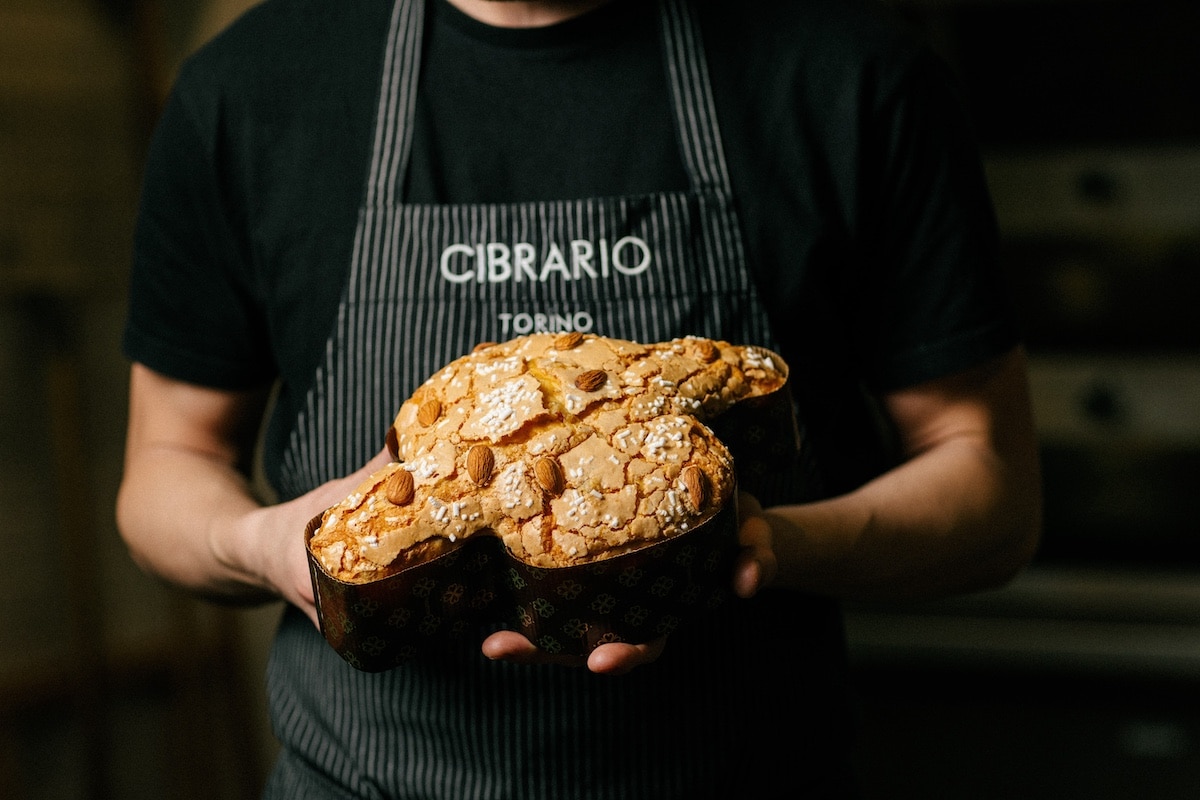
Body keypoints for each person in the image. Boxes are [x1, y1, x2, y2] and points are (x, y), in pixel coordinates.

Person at [115, 0, 1043, 796]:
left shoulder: (852, 75)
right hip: (363, 782)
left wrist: (759, 547)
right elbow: (169, 462)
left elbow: (993, 488)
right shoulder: (250, 91)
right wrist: (266, 545)